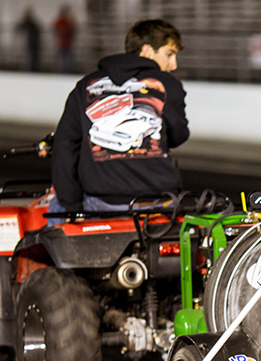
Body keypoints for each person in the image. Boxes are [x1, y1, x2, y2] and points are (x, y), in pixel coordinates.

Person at [49, 19, 189, 219]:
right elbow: (179, 135)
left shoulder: (85, 86)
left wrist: (71, 203)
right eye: (169, 54)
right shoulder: (168, 84)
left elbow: (65, 143)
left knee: (56, 208)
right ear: (147, 51)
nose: (173, 65)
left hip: (103, 202)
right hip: (159, 201)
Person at [52, 5, 75, 73]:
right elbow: (55, 29)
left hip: (67, 43)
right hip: (61, 43)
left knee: (67, 59)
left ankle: (67, 71)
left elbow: (73, 30)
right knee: (60, 58)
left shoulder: (68, 22)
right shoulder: (60, 21)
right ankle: (57, 70)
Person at [17, 7, 41, 71]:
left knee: (34, 58)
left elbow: (37, 31)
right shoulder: (28, 23)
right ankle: (30, 69)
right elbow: (19, 27)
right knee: (30, 57)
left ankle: (33, 69)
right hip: (30, 43)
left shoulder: (33, 24)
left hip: (35, 43)